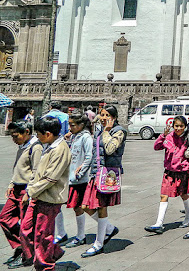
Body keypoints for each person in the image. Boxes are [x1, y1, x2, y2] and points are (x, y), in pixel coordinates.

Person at [19, 115, 71, 271]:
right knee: (25, 229)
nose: (37, 137)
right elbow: (38, 172)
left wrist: (32, 191)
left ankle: (46, 265)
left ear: (48, 134)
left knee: (43, 235)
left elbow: (50, 178)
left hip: (49, 197)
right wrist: (29, 190)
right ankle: (53, 251)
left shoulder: (60, 149)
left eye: (39, 134)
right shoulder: (48, 145)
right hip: (38, 194)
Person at [80, 106, 125, 258]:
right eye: (102, 115)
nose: (104, 117)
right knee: (85, 206)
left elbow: (110, 148)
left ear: (114, 117)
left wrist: (106, 131)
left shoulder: (118, 131)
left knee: (101, 207)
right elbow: (95, 151)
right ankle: (109, 228)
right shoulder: (99, 129)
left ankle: (98, 243)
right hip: (96, 173)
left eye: (107, 115)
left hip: (107, 174)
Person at [0, 121, 42, 268]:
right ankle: (21, 247)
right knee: (5, 218)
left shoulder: (35, 147)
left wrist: (29, 192)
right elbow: (18, 167)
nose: (14, 139)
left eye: (16, 136)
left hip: (26, 190)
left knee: (26, 225)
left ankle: (27, 255)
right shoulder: (22, 146)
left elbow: (36, 171)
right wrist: (11, 184)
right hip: (16, 188)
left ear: (27, 132)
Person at [145, 115, 189, 235]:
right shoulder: (169, 137)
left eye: (181, 126)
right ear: (172, 126)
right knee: (163, 195)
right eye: (176, 126)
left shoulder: (188, 138)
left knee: (184, 195)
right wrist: (163, 135)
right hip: (169, 172)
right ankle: (158, 223)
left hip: (182, 172)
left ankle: (188, 218)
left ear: (185, 127)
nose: (178, 128)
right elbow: (156, 147)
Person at [54, 112, 94, 247]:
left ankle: (81, 235)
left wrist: (81, 172)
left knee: (78, 207)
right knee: (57, 204)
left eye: (72, 125)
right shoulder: (75, 136)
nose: (70, 127)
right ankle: (61, 233)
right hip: (68, 177)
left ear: (81, 125)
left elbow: (89, 156)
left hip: (78, 179)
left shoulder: (86, 137)